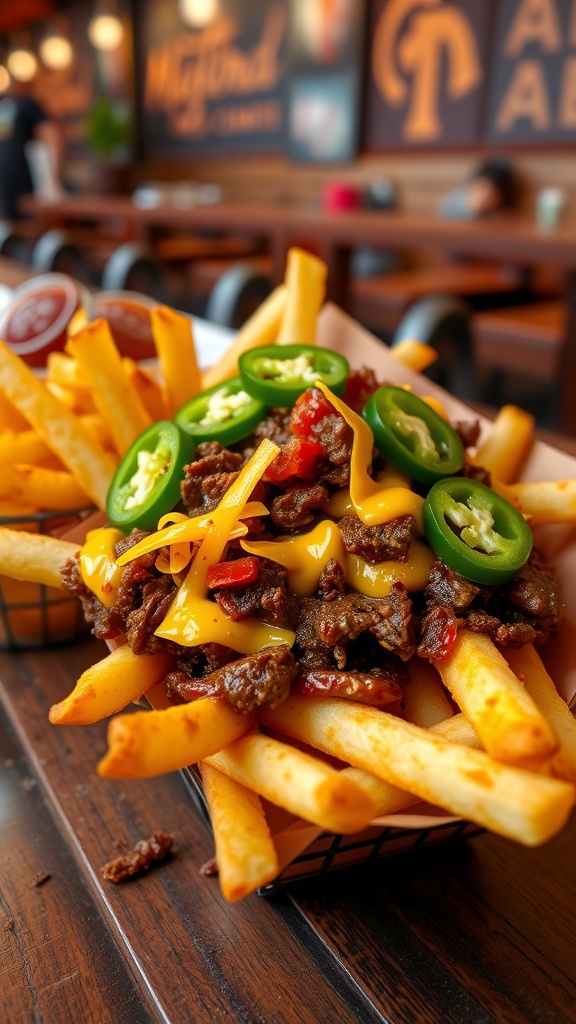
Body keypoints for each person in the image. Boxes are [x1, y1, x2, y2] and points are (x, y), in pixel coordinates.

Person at [0, 78, 63, 222]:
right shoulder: (8, 104)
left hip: (20, 180)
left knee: (20, 224)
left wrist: (53, 180)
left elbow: (52, 134)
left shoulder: (27, 104)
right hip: (7, 181)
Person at [438, 158, 518, 221]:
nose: (485, 196)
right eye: (482, 189)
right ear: (472, 184)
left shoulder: (499, 211)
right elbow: (442, 218)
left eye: (492, 195)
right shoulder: (455, 201)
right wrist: (472, 211)